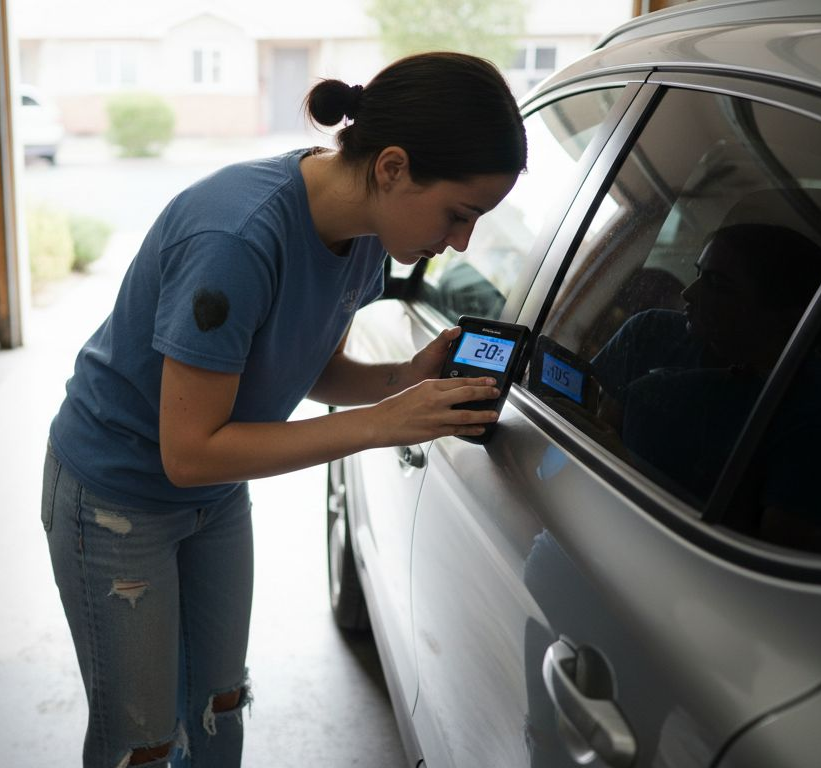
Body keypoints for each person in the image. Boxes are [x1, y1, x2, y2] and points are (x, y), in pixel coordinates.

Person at [42, 52, 527, 768]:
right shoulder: (236, 239)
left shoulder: (365, 235)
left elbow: (303, 362)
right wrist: (379, 425)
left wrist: (399, 378)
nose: (461, 242)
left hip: (212, 495)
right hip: (118, 496)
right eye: (459, 214)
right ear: (391, 166)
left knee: (218, 707)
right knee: (141, 745)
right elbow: (190, 449)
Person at [587, 222, 821, 547]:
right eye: (699, 273)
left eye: (717, 284)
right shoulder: (648, 333)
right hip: (594, 524)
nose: (689, 293)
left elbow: (774, 554)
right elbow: (597, 434)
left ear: (783, 314)